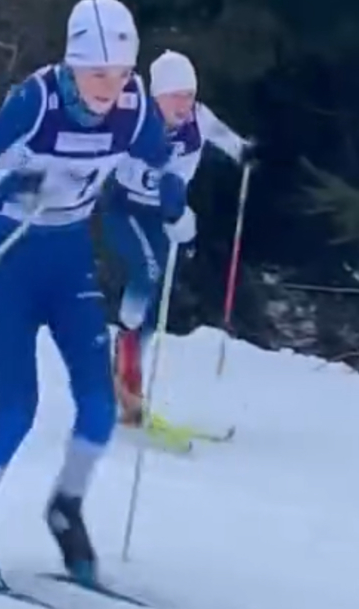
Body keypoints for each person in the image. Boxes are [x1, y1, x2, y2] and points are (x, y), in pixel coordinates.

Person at [0, 0, 177, 588]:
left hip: (70, 254)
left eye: (121, 73)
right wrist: (5, 182)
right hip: (11, 255)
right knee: (17, 408)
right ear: (73, 64)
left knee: (98, 406)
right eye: (97, 73)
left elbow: (160, 164)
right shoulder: (38, 100)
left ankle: (66, 508)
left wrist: (171, 195)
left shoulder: (134, 108)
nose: (109, 87)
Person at [101, 49, 255, 423]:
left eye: (189, 95)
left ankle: (129, 371)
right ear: (157, 96)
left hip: (162, 217)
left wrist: (243, 152)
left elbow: (222, 136)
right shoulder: (135, 118)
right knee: (146, 273)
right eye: (176, 96)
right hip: (124, 209)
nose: (184, 104)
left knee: (154, 300)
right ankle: (123, 335)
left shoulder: (198, 118)